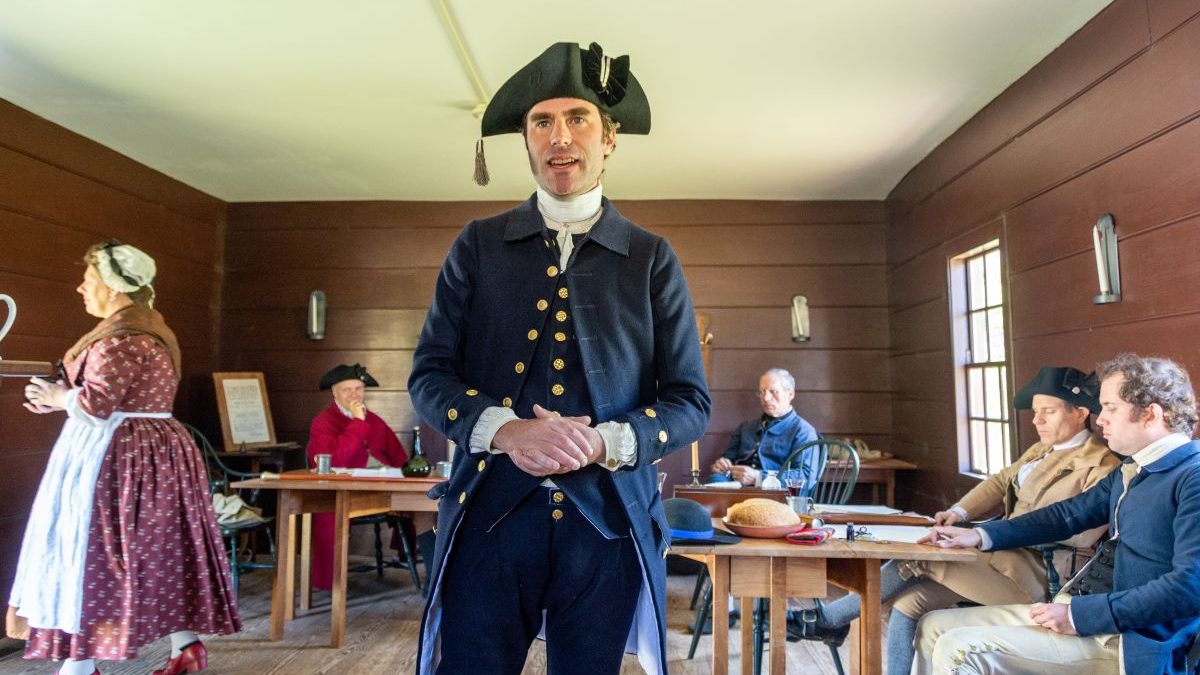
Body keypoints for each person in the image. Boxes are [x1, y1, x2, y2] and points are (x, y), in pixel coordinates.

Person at [407, 41, 710, 675]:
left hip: (608, 526)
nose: (560, 136)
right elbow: (430, 376)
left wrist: (602, 442)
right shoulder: (478, 245)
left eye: (578, 118)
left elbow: (689, 403)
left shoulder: (652, 257)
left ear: (609, 138)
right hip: (489, 518)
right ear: (527, 140)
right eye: (541, 122)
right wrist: (507, 431)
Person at [9, 241, 240, 675]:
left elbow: (97, 404)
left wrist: (61, 398)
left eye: (89, 280)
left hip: (119, 456)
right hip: (147, 451)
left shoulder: (123, 337)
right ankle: (186, 648)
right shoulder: (146, 327)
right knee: (154, 549)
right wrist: (58, 399)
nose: (81, 288)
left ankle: (80, 665)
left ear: (114, 287)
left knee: (96, 550)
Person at [806, 365, 1119, 674]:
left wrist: (990, 532)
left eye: (1048, 411)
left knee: (921, 558)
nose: (1037, 420)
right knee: (909, 603)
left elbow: (1081, 534)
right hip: (1001, 560)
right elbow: (999, 481)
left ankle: (828, 620)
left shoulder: (1101, 466)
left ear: (1080, 413)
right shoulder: (1041, 451)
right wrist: (960, 512)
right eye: (1036, 412)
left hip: (1041, 576)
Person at [914, 353, 1200, 674]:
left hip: (1134, 641)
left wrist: (1079, 616)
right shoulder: (1133, 468)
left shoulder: (1192, 477)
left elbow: (1190, 586)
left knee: (959, 648)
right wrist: (980, 534)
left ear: (1150, 414)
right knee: (934, 625)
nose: (1100, 419)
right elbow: (1067, 515)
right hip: (1085, 613)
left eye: (1111, 408)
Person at [306, 363, 408, 591]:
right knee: (330, 512)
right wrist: (358, 422)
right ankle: (331, 582)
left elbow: (399, 457)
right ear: (335, 394)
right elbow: (335, 460)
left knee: (423, 503)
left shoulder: (375, 420)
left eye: (359, 389)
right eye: (347, 390)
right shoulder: (323, 422)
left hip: (381, 488)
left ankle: (430, 575)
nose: (354, 394)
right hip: (340, 490)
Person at [710, 368, 819, 487]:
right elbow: (728, 459)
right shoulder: (746, 427)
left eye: (773, 391)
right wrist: (722, 465)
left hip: (773, 493)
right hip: (735, 487)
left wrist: (759, 477)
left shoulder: (804, 432)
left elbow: (805, 476)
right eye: (762, 392)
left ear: (790, 394)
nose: (765, 398)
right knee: (715, 480)